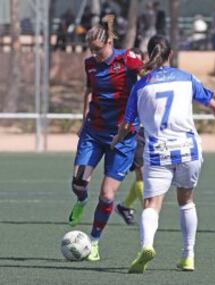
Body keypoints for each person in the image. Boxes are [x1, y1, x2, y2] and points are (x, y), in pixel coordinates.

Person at [111, 35, 215, 273]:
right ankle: (188, 256)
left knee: (152, 203)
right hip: (188, 149)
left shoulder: (141, 86)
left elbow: (127, 125)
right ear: (171, 55)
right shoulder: (186, 78)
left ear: (149, 56)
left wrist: (115, 141)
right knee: (186, 201)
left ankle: (146, 246)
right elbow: (212, 104)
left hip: (158, 151)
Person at [67, 15, 143, 262]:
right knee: (78, 183)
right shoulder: (90, 64)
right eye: (91, 50)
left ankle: (95, 241)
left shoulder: (127, 59)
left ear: (109, 42)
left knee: (108, 195)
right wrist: (82, 121)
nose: (95, 54)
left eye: (98, 49)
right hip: (94, 132)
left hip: (123, 138)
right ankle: (81, 199)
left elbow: (147, 74)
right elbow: (89, 92)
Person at [115, 48, 146, 226]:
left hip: (147, 130)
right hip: (132, 130)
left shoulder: (143, 80)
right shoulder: (125, 82)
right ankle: (150, 212)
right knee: (142, 173)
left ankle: (125, 206)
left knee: (144, 174)